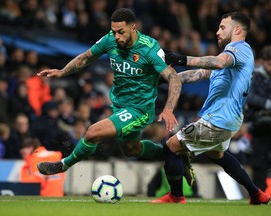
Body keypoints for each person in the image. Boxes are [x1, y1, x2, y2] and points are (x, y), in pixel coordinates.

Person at [37, 8, 182, 176]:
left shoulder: (149, 49)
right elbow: (85, 57)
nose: (117, 36)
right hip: (120, 105)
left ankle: (63, 165)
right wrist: (62, 72)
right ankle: (172, 154)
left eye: (121, 32)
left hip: (139, 109)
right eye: (114, 32)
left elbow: (174, 78)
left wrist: (169, 108)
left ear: (133, 28)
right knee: (131, 150)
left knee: (93, 132)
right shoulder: (110, 40)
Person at [151, 12, 270, 205]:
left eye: (223, 27)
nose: (217, 32)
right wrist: (164, 81)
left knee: (171, 146)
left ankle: (176, 197)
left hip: (219, 118)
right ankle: (256, 194)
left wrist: (182, 58)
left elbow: (217, 62)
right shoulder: (229, 56)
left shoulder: (241, 49)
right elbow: (199, 73)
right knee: (216, 154)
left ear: (237, 30)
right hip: (227, 118)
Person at [246, 45, 271, 195]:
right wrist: (267, 104)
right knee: (259, 164)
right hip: (259, 127)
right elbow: (248, 96)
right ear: (262, 62)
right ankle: (258, 195)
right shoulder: (254, 77)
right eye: (268, 63)